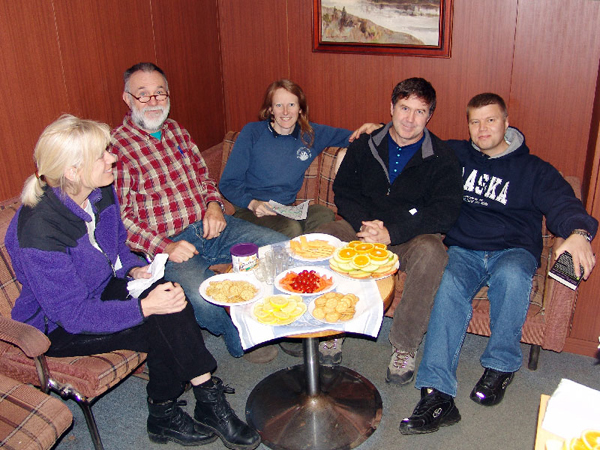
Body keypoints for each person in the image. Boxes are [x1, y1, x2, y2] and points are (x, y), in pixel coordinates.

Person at [6, 115, 261, 449]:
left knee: (171, 296)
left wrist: (133, 269)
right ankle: (192, 404)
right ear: (72, 171)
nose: (113, 158)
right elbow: (73, 315)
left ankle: (175, 408)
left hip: (100, 290)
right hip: (55, 327)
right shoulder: (39, 230)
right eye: (102, 155)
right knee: (161, 319)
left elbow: (118, 246)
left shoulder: (100, 191)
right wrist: (143, 307)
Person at [400, 93, 598, 435]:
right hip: (464, 250)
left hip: (513, 250)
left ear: (506, 123)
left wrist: (579, 231)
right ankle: (436, 394)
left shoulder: (533, 169)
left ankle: (501, 365)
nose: (482, 128)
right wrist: (377, 131)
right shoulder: (455, 155)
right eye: (475, 121)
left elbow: (564, 202)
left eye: (490, 120)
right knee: (447, 286)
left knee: (512, 277)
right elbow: (409, 142)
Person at [110, 62, 287, 362]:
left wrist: (214, 206)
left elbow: (204, 179)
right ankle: (243, 337)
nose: (153, 102)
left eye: (160, 93)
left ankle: (278, 322)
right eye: (143, 95)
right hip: (170, 246)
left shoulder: (177, 130)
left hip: (212, 226)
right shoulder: (116, 148)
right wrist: (166, 246)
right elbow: (120, 220)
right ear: (127, 99)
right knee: (202, 298)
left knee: (279, 252)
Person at [317, 77, 463, 370]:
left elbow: (445, 212)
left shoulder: (443, 157)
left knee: (433, 251)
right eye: (404, 108)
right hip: (362, 228)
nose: (410, 119)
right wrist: (365, 225)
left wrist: (391, 233)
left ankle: (404, 347)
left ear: (430, 115)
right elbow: (344, 191)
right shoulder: (365, 145)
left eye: (419, 111)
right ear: (391, 107)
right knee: (326, 235)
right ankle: (331, 326)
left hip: (408, 237)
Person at [219, 79, 379, 239]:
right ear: (270, 109)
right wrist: (252, 203)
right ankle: (296, 248)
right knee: (291, 228)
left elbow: (354, 138)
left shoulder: (309, 134)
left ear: (301, 109)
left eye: (291, 105)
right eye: (279, 105)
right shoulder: (252, 133)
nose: (285, 112)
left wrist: (378, 128)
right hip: (249, 209)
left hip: (285, 209)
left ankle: (304, 253)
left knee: (324, 214)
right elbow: (227, 183)